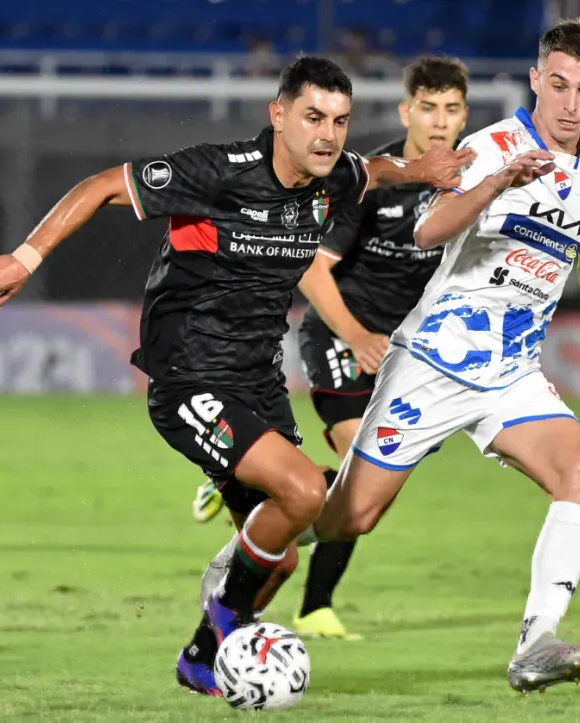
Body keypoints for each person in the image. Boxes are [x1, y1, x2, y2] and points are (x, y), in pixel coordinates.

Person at [0, 55, 473, 697]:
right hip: (188, 375)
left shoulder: (335, 177)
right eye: (313, 117)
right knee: (303, 494)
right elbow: (99, 187)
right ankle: (231, 619)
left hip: (257, 382)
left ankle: (201, 657)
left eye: (340, 121)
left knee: (280, 558)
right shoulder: (217, 172)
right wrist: (24, 256)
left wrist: (420, 170)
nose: (327, 134)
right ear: (278, 115)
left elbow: (373, 170)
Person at [303, 18, 580, 694]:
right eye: (557, 85)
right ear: (535, 81)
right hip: (431, 363)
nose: (569, 102)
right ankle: (246, 554)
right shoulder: (490, 146)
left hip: (511, 375)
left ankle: (537, 643)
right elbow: (426, 229)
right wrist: (496, 184)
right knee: (351, 516)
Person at [193, 56, 472, 641]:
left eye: (452, 109)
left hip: (405, 357)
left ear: (465, 114)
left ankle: (255, 492)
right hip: (342, 335)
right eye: (428, 107)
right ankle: (313, 604)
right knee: (356, 465)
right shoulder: (374, 182)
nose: (440, 121)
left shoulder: (471, 183)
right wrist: (357, 335)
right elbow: (313, 271)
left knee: (366, 506)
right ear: (406, 111)